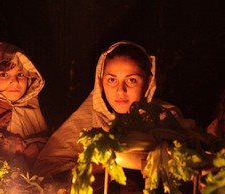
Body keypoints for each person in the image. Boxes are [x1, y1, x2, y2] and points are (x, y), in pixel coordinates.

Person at [33, 41, 194, 182]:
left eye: (131, 80)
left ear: (148, 81)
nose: (120, 91)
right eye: (112, 80)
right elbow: (46, 170)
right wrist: (94, 169)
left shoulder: (167, 120)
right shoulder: (87, 119)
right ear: (100, 81)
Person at [0, 42, 49, 169]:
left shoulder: (35, 107)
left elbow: (55, 144)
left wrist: (37, 147)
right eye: (4, 75)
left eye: (20, 74)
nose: (14, 81)